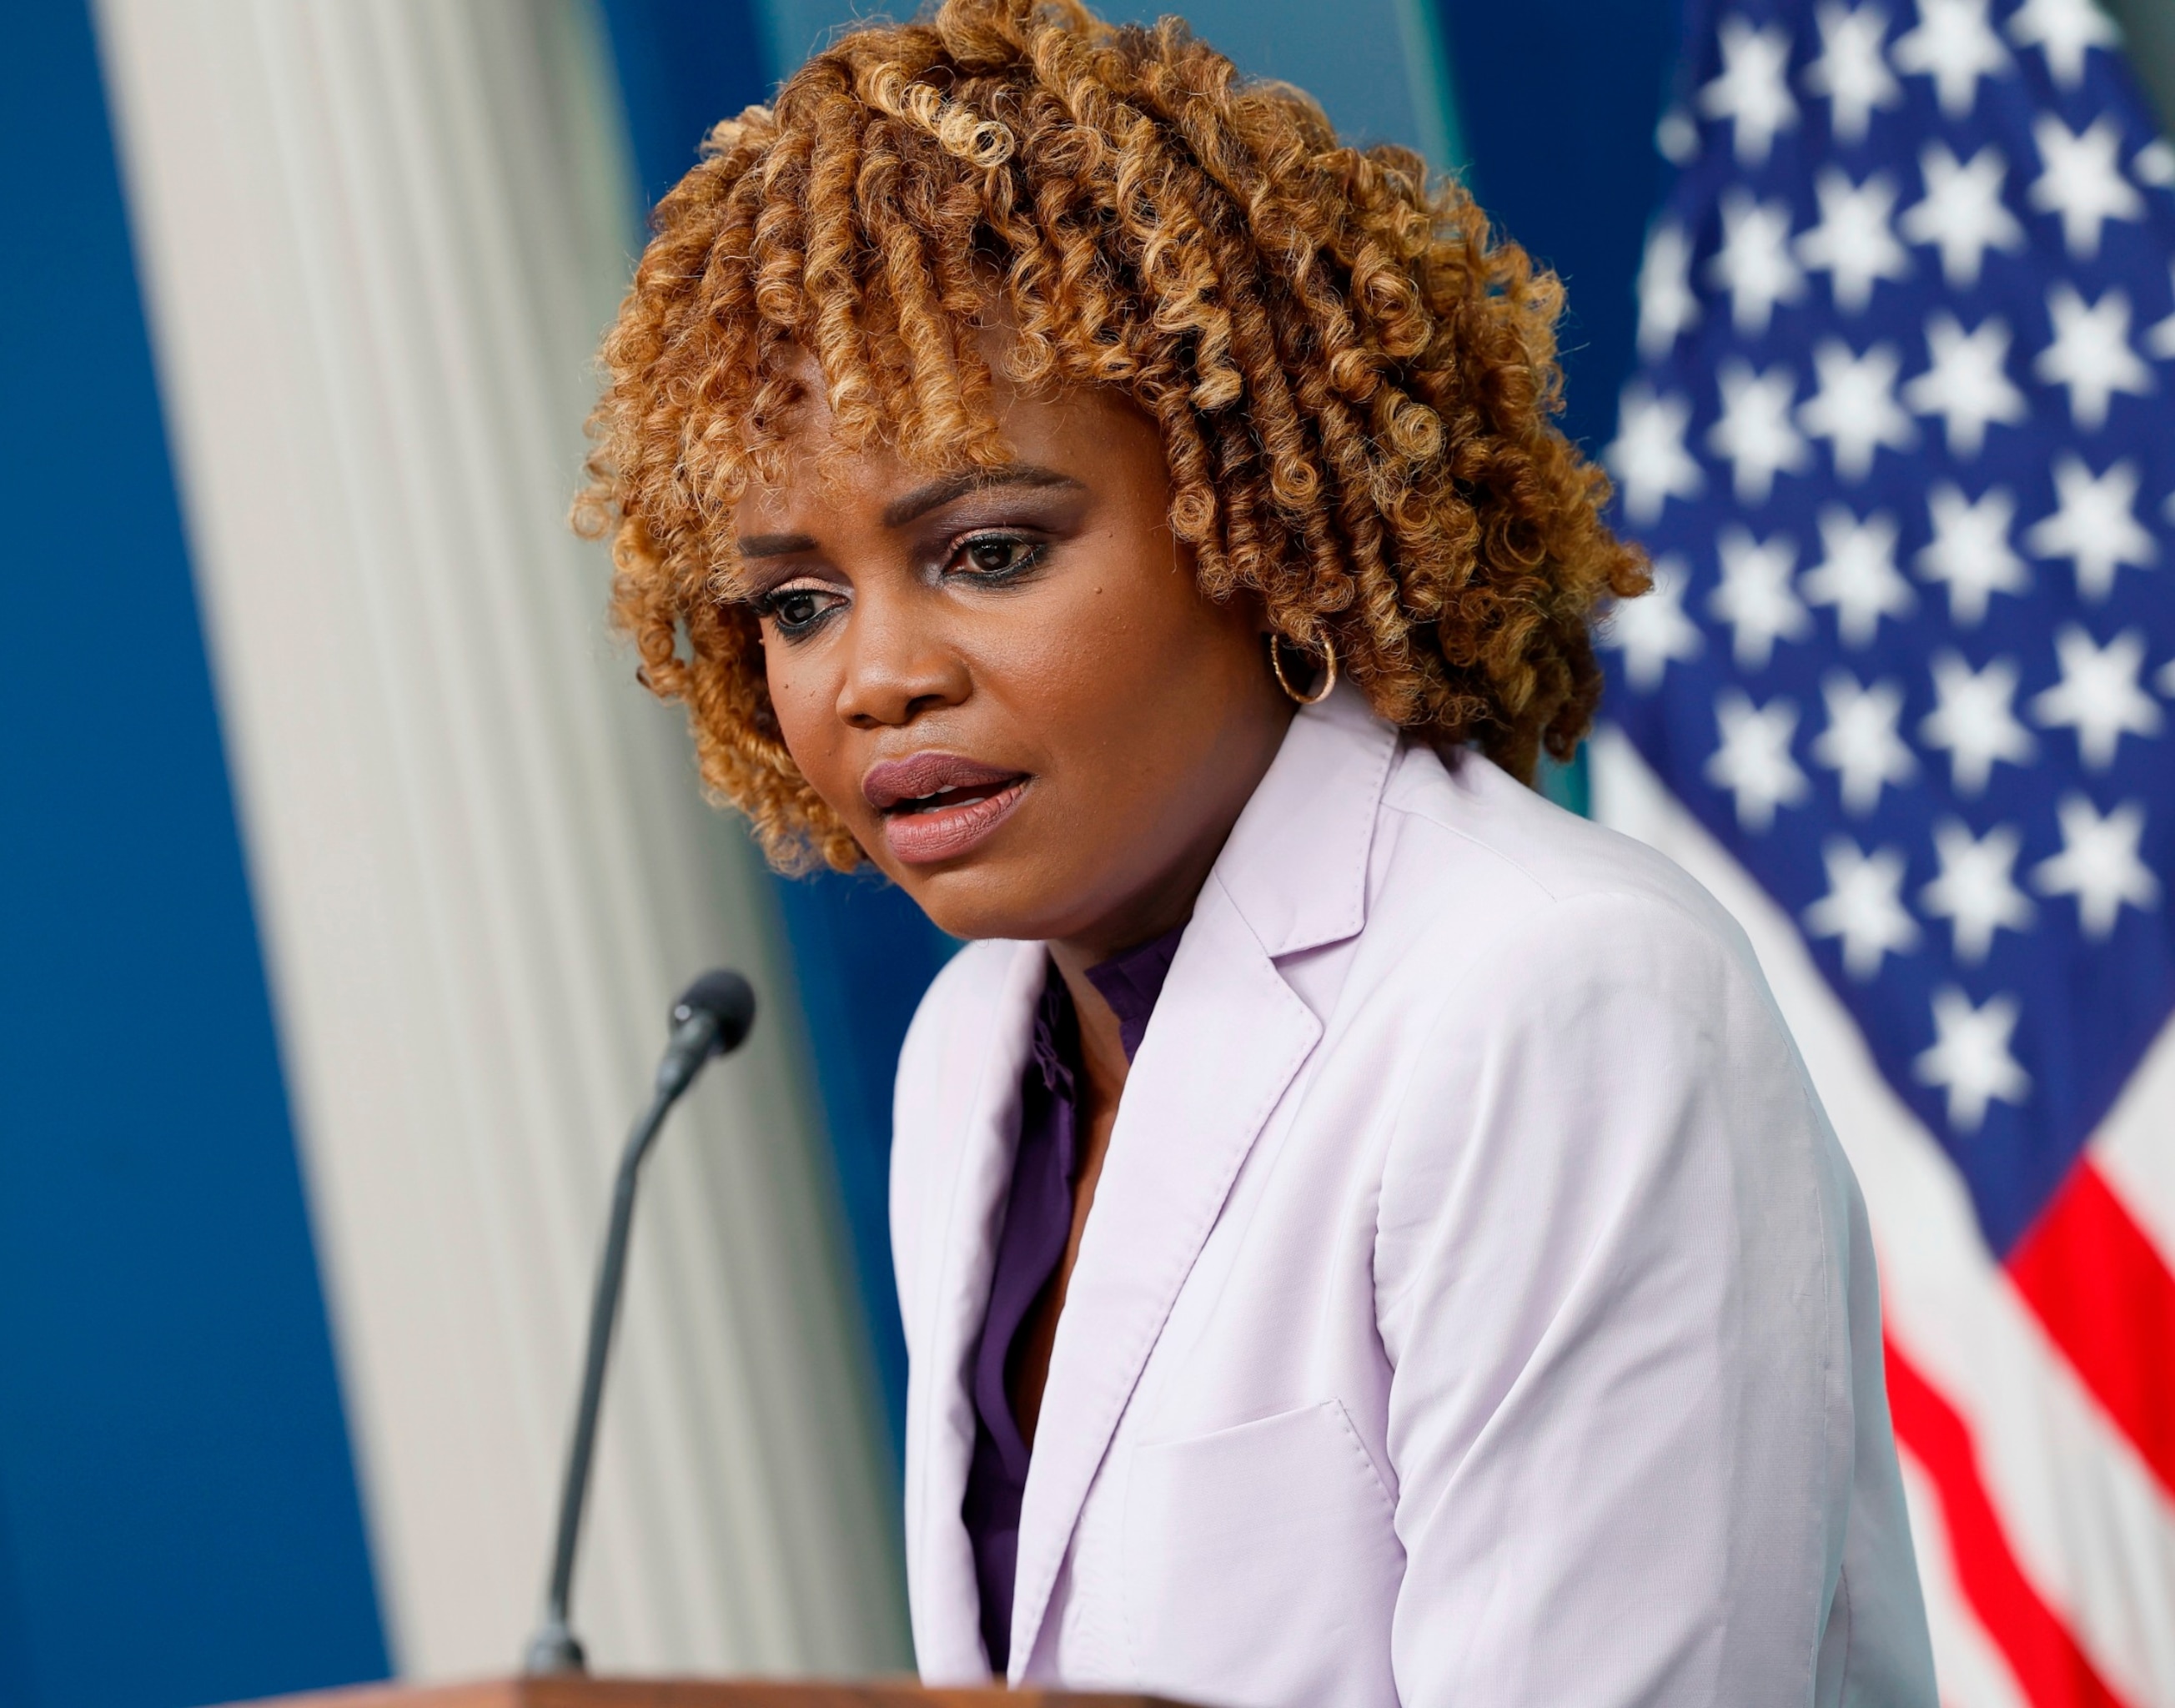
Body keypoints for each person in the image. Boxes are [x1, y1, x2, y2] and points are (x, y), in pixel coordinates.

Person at [577, 2, 1936, 1702]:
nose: (874, 676)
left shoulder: (1555, 1000)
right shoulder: (973, 1055)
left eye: (990, 551)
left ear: (1263, 533)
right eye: (794, 601)